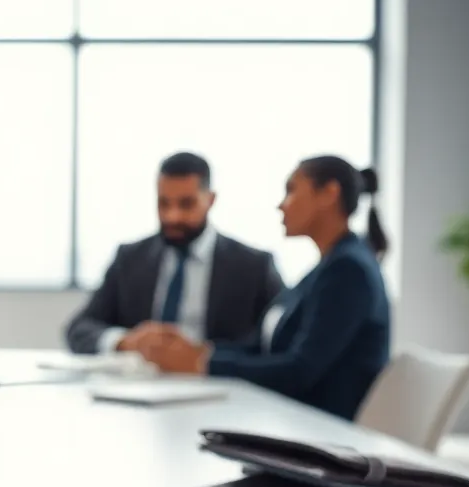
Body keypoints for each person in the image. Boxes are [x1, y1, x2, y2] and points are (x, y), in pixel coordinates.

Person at [141, 156, 390, 421]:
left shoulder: (348, 270)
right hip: (289, 416)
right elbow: (264, 349)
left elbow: (299, 371)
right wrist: (200, 351)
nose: (281, 205)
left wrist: (202, 364)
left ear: (328, 194)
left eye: (291, 191)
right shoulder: (325, 268)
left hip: (319, 430)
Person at [64, 152, 285, 355]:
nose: (172, 217)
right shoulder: (130, 259)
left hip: (222, 386)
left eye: (186, 204)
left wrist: (206, 354)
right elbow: (80, 327)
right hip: (140, 383)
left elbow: (281, 333)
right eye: (163, 204)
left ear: (210, 200)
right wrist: (125, 341)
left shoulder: (254, 266)